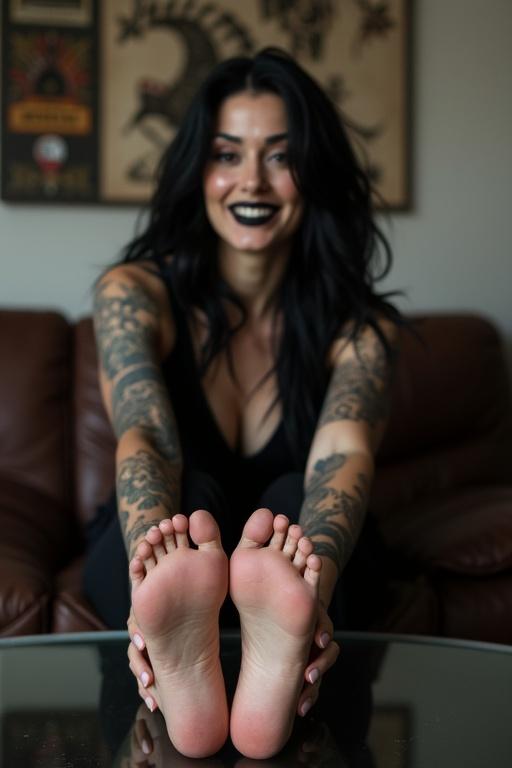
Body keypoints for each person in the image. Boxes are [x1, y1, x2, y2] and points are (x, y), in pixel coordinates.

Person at [84, 47, 403, 759]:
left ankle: (277, 643)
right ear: (198, 170)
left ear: (313, 174)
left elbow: (344, 454)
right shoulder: (134, 293)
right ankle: (179, 633)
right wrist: (148, 568)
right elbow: (147, 435)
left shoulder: (360, 329)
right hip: (171, 529)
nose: (251, 180)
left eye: (280, 157)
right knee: (182, 503)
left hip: (295, 550)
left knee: (294, 501)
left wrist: (312, 575)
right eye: (228, 154)